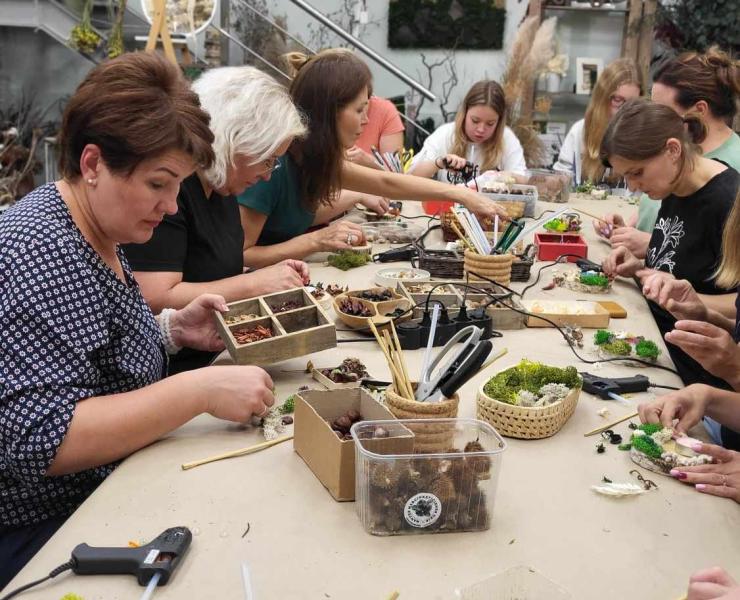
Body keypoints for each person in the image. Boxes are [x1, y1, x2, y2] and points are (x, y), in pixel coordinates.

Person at [0, 53, 275, 588]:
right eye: (158, 183)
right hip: (47, 533)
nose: (173, 206)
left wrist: (171, 332)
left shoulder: (98, 228)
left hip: (112, 489)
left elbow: (82, 351)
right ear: (93, 163)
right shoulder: (37, 249)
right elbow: (39, 438)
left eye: (179, 186)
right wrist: (196, 390)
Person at [238, 49, 507, 269]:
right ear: (328, 112)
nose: (366, 120)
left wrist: (464, 196)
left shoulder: (312, 156)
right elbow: (242, 255)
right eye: (359, 110)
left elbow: (386, 183)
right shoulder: (274, 164)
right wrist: (316, 241)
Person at [123, 66, 310, 373]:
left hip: (217, 359)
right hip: (178, 370)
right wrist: (252, 284)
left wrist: (269, 274)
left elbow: (212, 268)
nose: (267, 174)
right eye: (267, 159)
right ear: (234, 139)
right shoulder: (173, 191)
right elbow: (155, 297)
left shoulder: (223, 188)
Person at [600, 99, 739, 389]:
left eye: (637, 173)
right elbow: (676, 264)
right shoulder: (673, 185)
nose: (633, 186)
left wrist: (690, 299)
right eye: (626, 176)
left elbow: (736, 307)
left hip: (694, 375)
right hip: (654, 342)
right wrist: (640, 268)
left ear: (673, 150)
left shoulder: (728, 202)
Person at [595, 48, 739, 257]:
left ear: (699, 110)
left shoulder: (725, 174)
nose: (651, 121)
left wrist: (651, 245)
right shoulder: (671, 161)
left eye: (663, 111)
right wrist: (629, 229)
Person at [638, 190, 740, 452]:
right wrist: (706, 397)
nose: (635, 186)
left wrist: (734, 369)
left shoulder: (720, 197)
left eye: (637, 173)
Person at [408, 79, 527, 182]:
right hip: (447, 207)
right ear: (464, 113)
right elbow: (410, 176)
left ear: (499, 122)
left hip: (489, 206)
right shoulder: (445, 134)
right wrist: (439, 163)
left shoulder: (506, 138)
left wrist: (500, 176)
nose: (481, 129)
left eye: (490, 124)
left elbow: (523, 179)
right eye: (475, 121)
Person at [553, 57, 642, 186]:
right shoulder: (580, 130)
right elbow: (561, 179)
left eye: (632, 103)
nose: (624, 111)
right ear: (602, 98)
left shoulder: (643, 135)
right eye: (617, 100)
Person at [347, 94, 405, 168]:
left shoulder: (384, 110)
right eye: (359, 110)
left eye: (366, 103)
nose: (366, 120)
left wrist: (371, 163)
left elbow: (395, 172)